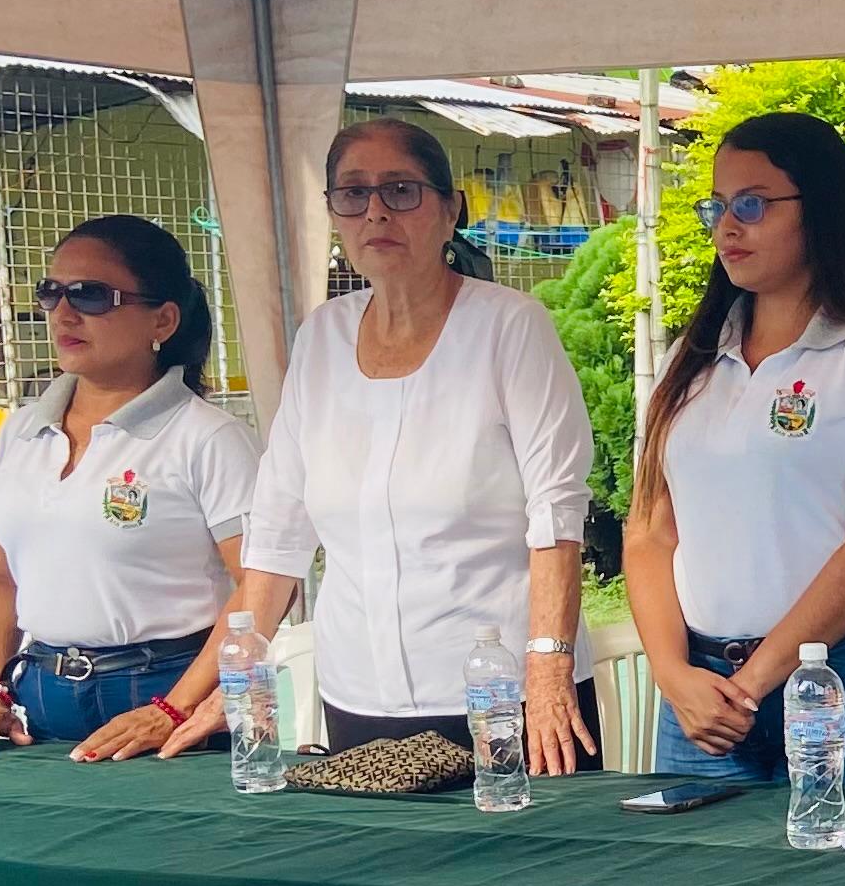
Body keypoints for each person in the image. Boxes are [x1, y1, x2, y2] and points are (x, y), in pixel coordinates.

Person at [202, 120, 601, 770]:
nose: (376, 212)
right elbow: (278, 532)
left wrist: (548, 669)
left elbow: (555, 511)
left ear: (450, 210)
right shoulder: (321, 338)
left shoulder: (509, 326)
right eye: (352, 194)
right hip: (358, 693)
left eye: (401, 190)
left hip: (505, 692)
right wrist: (235, 677)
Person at [620, 111, 845, 788]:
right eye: (717, 206)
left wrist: (751, 684)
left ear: (820, 210)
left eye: (752, 204)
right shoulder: (689, 359)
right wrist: (674, 675)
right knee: (697, 863)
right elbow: (650, 531)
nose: (727, 227)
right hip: (702, 696)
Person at [0, 215, 258, 758]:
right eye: (51, 292)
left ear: (163, 320)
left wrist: (173, 709)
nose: (63, 313)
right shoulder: (20, 430)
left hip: (169, 700)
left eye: (92, 295)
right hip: (39, 701)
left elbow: (258, 587)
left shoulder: (209, 437)